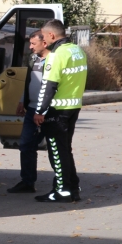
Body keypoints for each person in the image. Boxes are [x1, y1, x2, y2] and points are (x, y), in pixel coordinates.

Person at [33, 19, 87, 203]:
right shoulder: (77, 50)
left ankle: (62, 190)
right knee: (65, 150)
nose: (43, 39)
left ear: (52, 35)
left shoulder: (57, 55)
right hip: (73, 107)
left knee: (56, 151)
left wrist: (39, 111)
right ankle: (73, 188)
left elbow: (48, 86)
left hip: (58, 110)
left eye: (44, 36)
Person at [7, 30, 50, 194]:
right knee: (26, 145)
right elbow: (29, 81)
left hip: (48, 110)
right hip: (31, 109)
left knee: (55, 147)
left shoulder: (53, 60)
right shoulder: (33, 59)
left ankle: (63, 183)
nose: (30, 47)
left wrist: (43, 109)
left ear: (44, 43)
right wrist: (22, 100)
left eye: (33, 44)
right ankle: (28, 182)